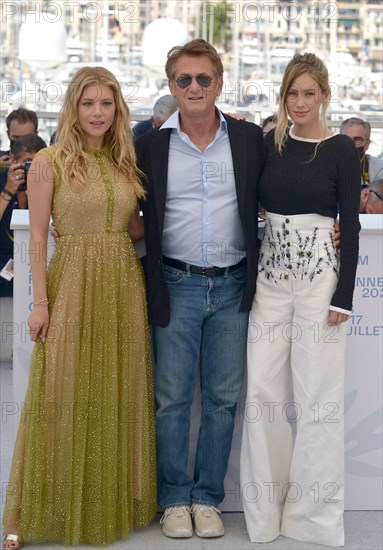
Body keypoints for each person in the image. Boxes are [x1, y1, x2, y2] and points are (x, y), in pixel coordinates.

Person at [2, 66, 156, 549]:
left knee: (116, 389)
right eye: (88, 103)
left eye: (106, 104)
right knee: (61, 391)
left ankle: (109, 500)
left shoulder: (125, 160)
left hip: (124, 282)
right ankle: (31, 512)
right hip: (70, 283)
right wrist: (39, 304)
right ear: (73, 107)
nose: (97, 112)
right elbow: (37, 239)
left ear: (117, 109)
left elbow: (134, 227)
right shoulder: (49, 161)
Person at [135, 38, 265, 539]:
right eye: (184, 79)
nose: (194, 87)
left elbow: (279, 195)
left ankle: (208, 498)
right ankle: (173, 499)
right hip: (175, 282)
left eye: (203, 78)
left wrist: (331, 222)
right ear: (171, 85)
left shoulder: (251, 139)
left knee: (222, 399)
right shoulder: (148, 144)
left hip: (234, 286)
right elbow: (124, 202)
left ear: (219, 83)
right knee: (170, 399)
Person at [240, 53, 361, 548]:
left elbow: (349, 226)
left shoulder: (339, 151)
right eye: (292, 93)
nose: (300, 102)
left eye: (309, 93)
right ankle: (265, 517)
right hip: (270, 277)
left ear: (324, 95)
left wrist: (344, 296)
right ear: (283, 97)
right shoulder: (269, 144)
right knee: (263, 395)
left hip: (320, 284)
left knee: (318, 400)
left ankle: (313, 520)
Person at [0, 109, 38, 298]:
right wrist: (8, 189)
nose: (22, 146)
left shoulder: (48, 172)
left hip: (37, 268)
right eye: (16, 141)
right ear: (8, 136)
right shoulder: (1, 166)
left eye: (28, 140)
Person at [0, 134, 47, 222]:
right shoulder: (2, 179)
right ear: (13, 159)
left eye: (38, 163)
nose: (33, 169)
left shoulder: (48, 183)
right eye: (28, 162)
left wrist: (38, 198)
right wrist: (8, 191)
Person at [340, 117, 383, 185]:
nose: (351, 144)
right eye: (346, 139)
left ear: (367, 144)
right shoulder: (327, 166)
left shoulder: (379, 167)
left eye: (357, 139)